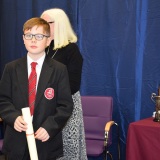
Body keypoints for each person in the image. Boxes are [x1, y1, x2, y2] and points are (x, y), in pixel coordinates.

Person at [0, 17, 73, 160]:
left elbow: (65, 106)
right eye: (29, 36)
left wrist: (50, 127)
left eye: (39, 36)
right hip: (16, 140)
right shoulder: (11, 68)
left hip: (45, 141)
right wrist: (13, 117)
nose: (33, 40)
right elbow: (3, 100)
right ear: (23, 39)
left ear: (48, 40)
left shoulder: (59, 69)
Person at [41, 8, 87, 160]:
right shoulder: (41, 49)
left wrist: (49, 93)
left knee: (68, 150)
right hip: (43, 106)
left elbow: (73, 85)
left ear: (59, 25)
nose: (42, 27)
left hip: (65, 106)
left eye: (46, 23)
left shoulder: (71, 49)